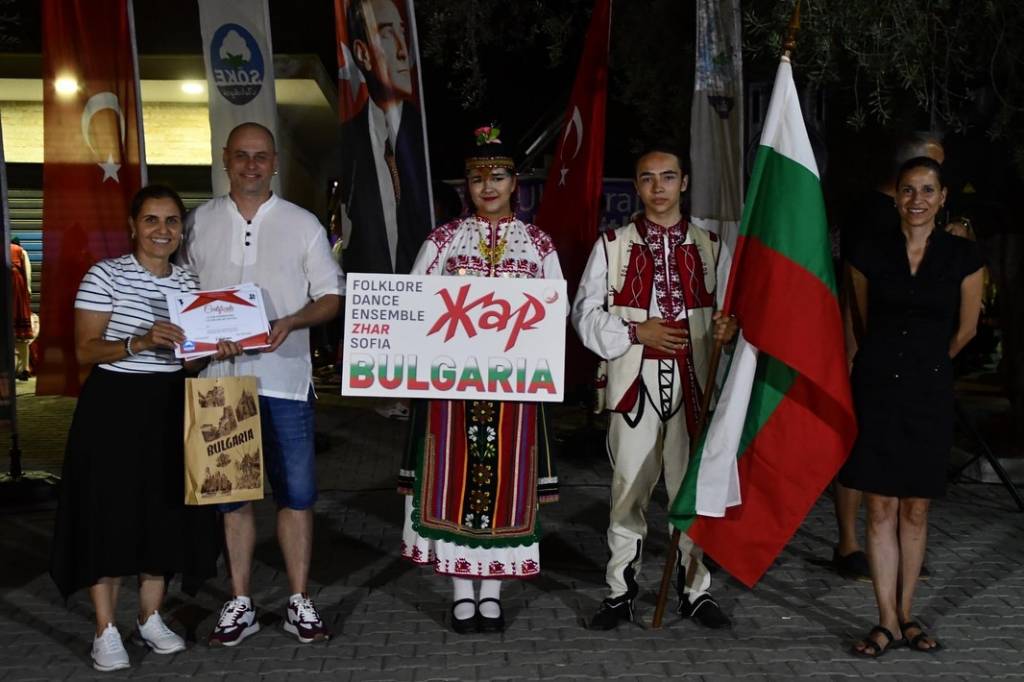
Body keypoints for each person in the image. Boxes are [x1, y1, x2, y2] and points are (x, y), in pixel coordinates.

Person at [49, 185, 242, 672]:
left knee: (163, 513)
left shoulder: (189, 283)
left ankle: (150, 616)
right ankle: (104, 629)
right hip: (113, 404)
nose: (162, 230)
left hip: (169, 403)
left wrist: (212, 353)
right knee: (108, 513)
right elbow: (86, 350)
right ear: (133, 226)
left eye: (172, 221)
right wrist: (138, 341)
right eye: (152, 220)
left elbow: (189, 361)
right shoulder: (105, 275)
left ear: (182, 230)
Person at [180, 122, 344, 646]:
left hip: (285, 380)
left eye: (261, 157)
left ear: (275, 162)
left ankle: (298, 600)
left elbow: (331, 296)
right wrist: (197, 343)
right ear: (225, 159)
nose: (251, 165)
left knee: (296, 495)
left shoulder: (303, 224)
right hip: (218, 380)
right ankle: (241, 601)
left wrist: (291, 322)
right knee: (233, 498)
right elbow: (181, 294)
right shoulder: (198, 222)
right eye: (242, 156)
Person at [398, 126, 561, 634]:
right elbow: (412, 305)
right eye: (476, 178)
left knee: (506, 487)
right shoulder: (443, 241)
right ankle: (459, 591)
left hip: (513, 393)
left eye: (498, 176)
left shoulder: (537, 245)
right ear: (464, 186)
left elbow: (557, 309)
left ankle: (491, 592)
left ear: (516, 182)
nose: (487, 186)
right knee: (452, 482)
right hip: (452, 390)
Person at [572, 145, 738, 630]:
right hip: (634, 387)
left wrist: (730, 329)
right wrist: (633, 332)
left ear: (684, 182)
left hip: (694, 387)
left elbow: (731, 313)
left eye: (668, 177)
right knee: (628, 491)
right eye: (648, 178)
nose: (659, 187)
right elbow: (583, 313)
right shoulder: (612, 244)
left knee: (693, 493)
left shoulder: (712, 246)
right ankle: (621, 592)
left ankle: (695, 590)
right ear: (637, 185)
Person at [840, 157, 984, 657]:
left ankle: (906, 612)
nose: (917, 200)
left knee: (916, 509)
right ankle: (884, 622)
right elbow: (860, 322)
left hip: (929, 392)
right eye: (908, 190)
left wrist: (929, 366)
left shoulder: (964, 258)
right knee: (879, 506)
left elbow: (966, 329)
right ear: (896, 197)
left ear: (943, 198)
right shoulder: (867, 253)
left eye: (927, 190)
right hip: (877, 389)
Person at [832, 132, 946, 581]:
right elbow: (854, 291)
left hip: (915, 360)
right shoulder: (872, 214)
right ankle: (849, 543)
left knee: (902, 450)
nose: (924, 191)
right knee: (862, 446)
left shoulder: (928, 226)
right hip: (870, 351)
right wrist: (853, 350)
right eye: (926, 171)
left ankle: (898, 548)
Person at [339, 0, 432, 275]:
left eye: (402, 33)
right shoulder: (348, 142)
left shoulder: (426, 142)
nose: (404, 51)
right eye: (388, 35)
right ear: (362, 53)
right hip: (372, 303)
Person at [9, 237, 33, 380]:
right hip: (17, 287)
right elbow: (28, 274)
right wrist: (28, 290)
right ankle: (25, 368)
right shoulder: (20, 250)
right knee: (21, 334)